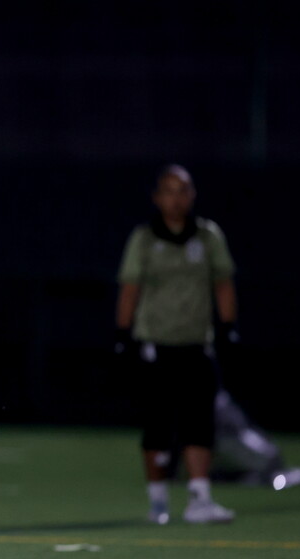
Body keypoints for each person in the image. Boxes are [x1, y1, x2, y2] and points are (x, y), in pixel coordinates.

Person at [114, 163, 238, 525]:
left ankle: (200, 497)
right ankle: (157, 502)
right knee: (157, 423)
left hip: (197, 342)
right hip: (155, 342)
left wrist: (228, 326)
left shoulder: (208, 236)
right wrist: (123, 334)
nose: (176, 198)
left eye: (183, 190)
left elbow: (223, 282)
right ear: (157, 197)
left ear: (192, 195)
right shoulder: (145, 239)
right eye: (169, 191)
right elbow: (130, 287)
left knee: (200, 420)